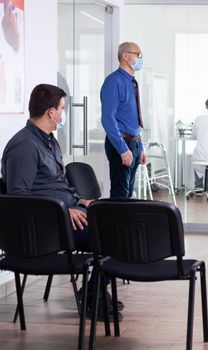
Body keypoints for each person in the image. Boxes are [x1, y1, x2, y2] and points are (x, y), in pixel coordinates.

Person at [0, 84, 123, 320]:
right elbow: (18, 200)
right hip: (47, 228)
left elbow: (57, 185)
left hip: (66, 216)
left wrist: (79, 201)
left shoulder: (49, 141)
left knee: (117, 224)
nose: (64, 113)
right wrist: (64, 212)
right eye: (62, 108)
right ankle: (91, 296)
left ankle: (92, 293)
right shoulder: (24, 146)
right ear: (50, 112)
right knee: (113, 236)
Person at [101, 42, 146, 199]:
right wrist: (122, 149)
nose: (141, 59)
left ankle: (125, 224)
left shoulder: (131, 81)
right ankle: (115, 224)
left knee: (128, 193)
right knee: (120, 194)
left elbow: (133, 119)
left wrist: (140, 147)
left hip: (132, 143)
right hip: (121, 143)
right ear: (125, 56)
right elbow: (108, 119)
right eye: (138, 55)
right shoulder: (114, 82)